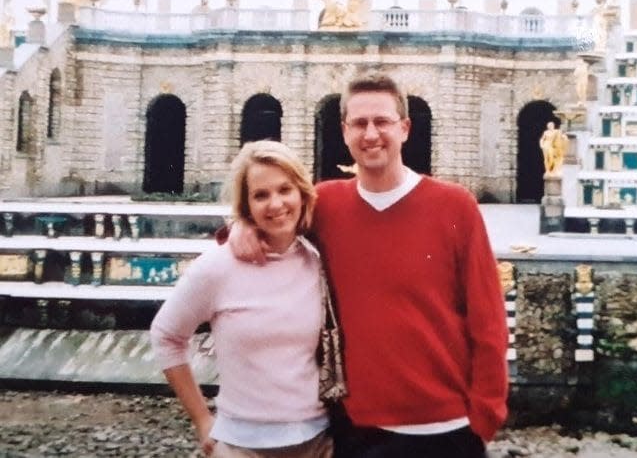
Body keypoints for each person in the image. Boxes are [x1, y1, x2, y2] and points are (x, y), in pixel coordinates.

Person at [229, 73, 508, 458]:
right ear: (344, 131)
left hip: (446, 426)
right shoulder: (325, 205)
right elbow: (272, 219)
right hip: (358, 428)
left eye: (382, 122)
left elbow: (488, 319)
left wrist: (486, 415)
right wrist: (239, 226)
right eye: (359, 123)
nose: (371, 133)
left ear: (405, 128)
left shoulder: (455, 206)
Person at [151, 141, 333, 458]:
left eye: (284, 189)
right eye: (261, 195)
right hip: (242, 445)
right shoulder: (217, 267)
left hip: (317, 441)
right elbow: (166, 335)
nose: (276, 203)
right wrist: (202, 419)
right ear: (246, 205)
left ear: (301, 192)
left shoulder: (317, 263)